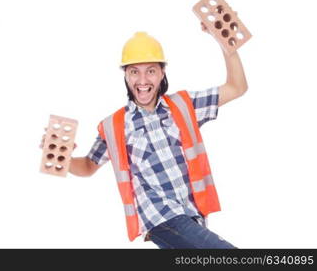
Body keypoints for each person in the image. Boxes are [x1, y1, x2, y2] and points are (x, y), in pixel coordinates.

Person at [66, 29, 247, 248]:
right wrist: (63, 157)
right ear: (126, 75)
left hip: (193, 215)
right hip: (160, 219)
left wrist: (225, 44)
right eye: (134, 72)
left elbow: (236, 87)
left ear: (162, 73)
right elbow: (88, 166)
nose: (142, 80)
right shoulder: (115, 126)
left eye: (150, 71)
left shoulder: (183, 105)